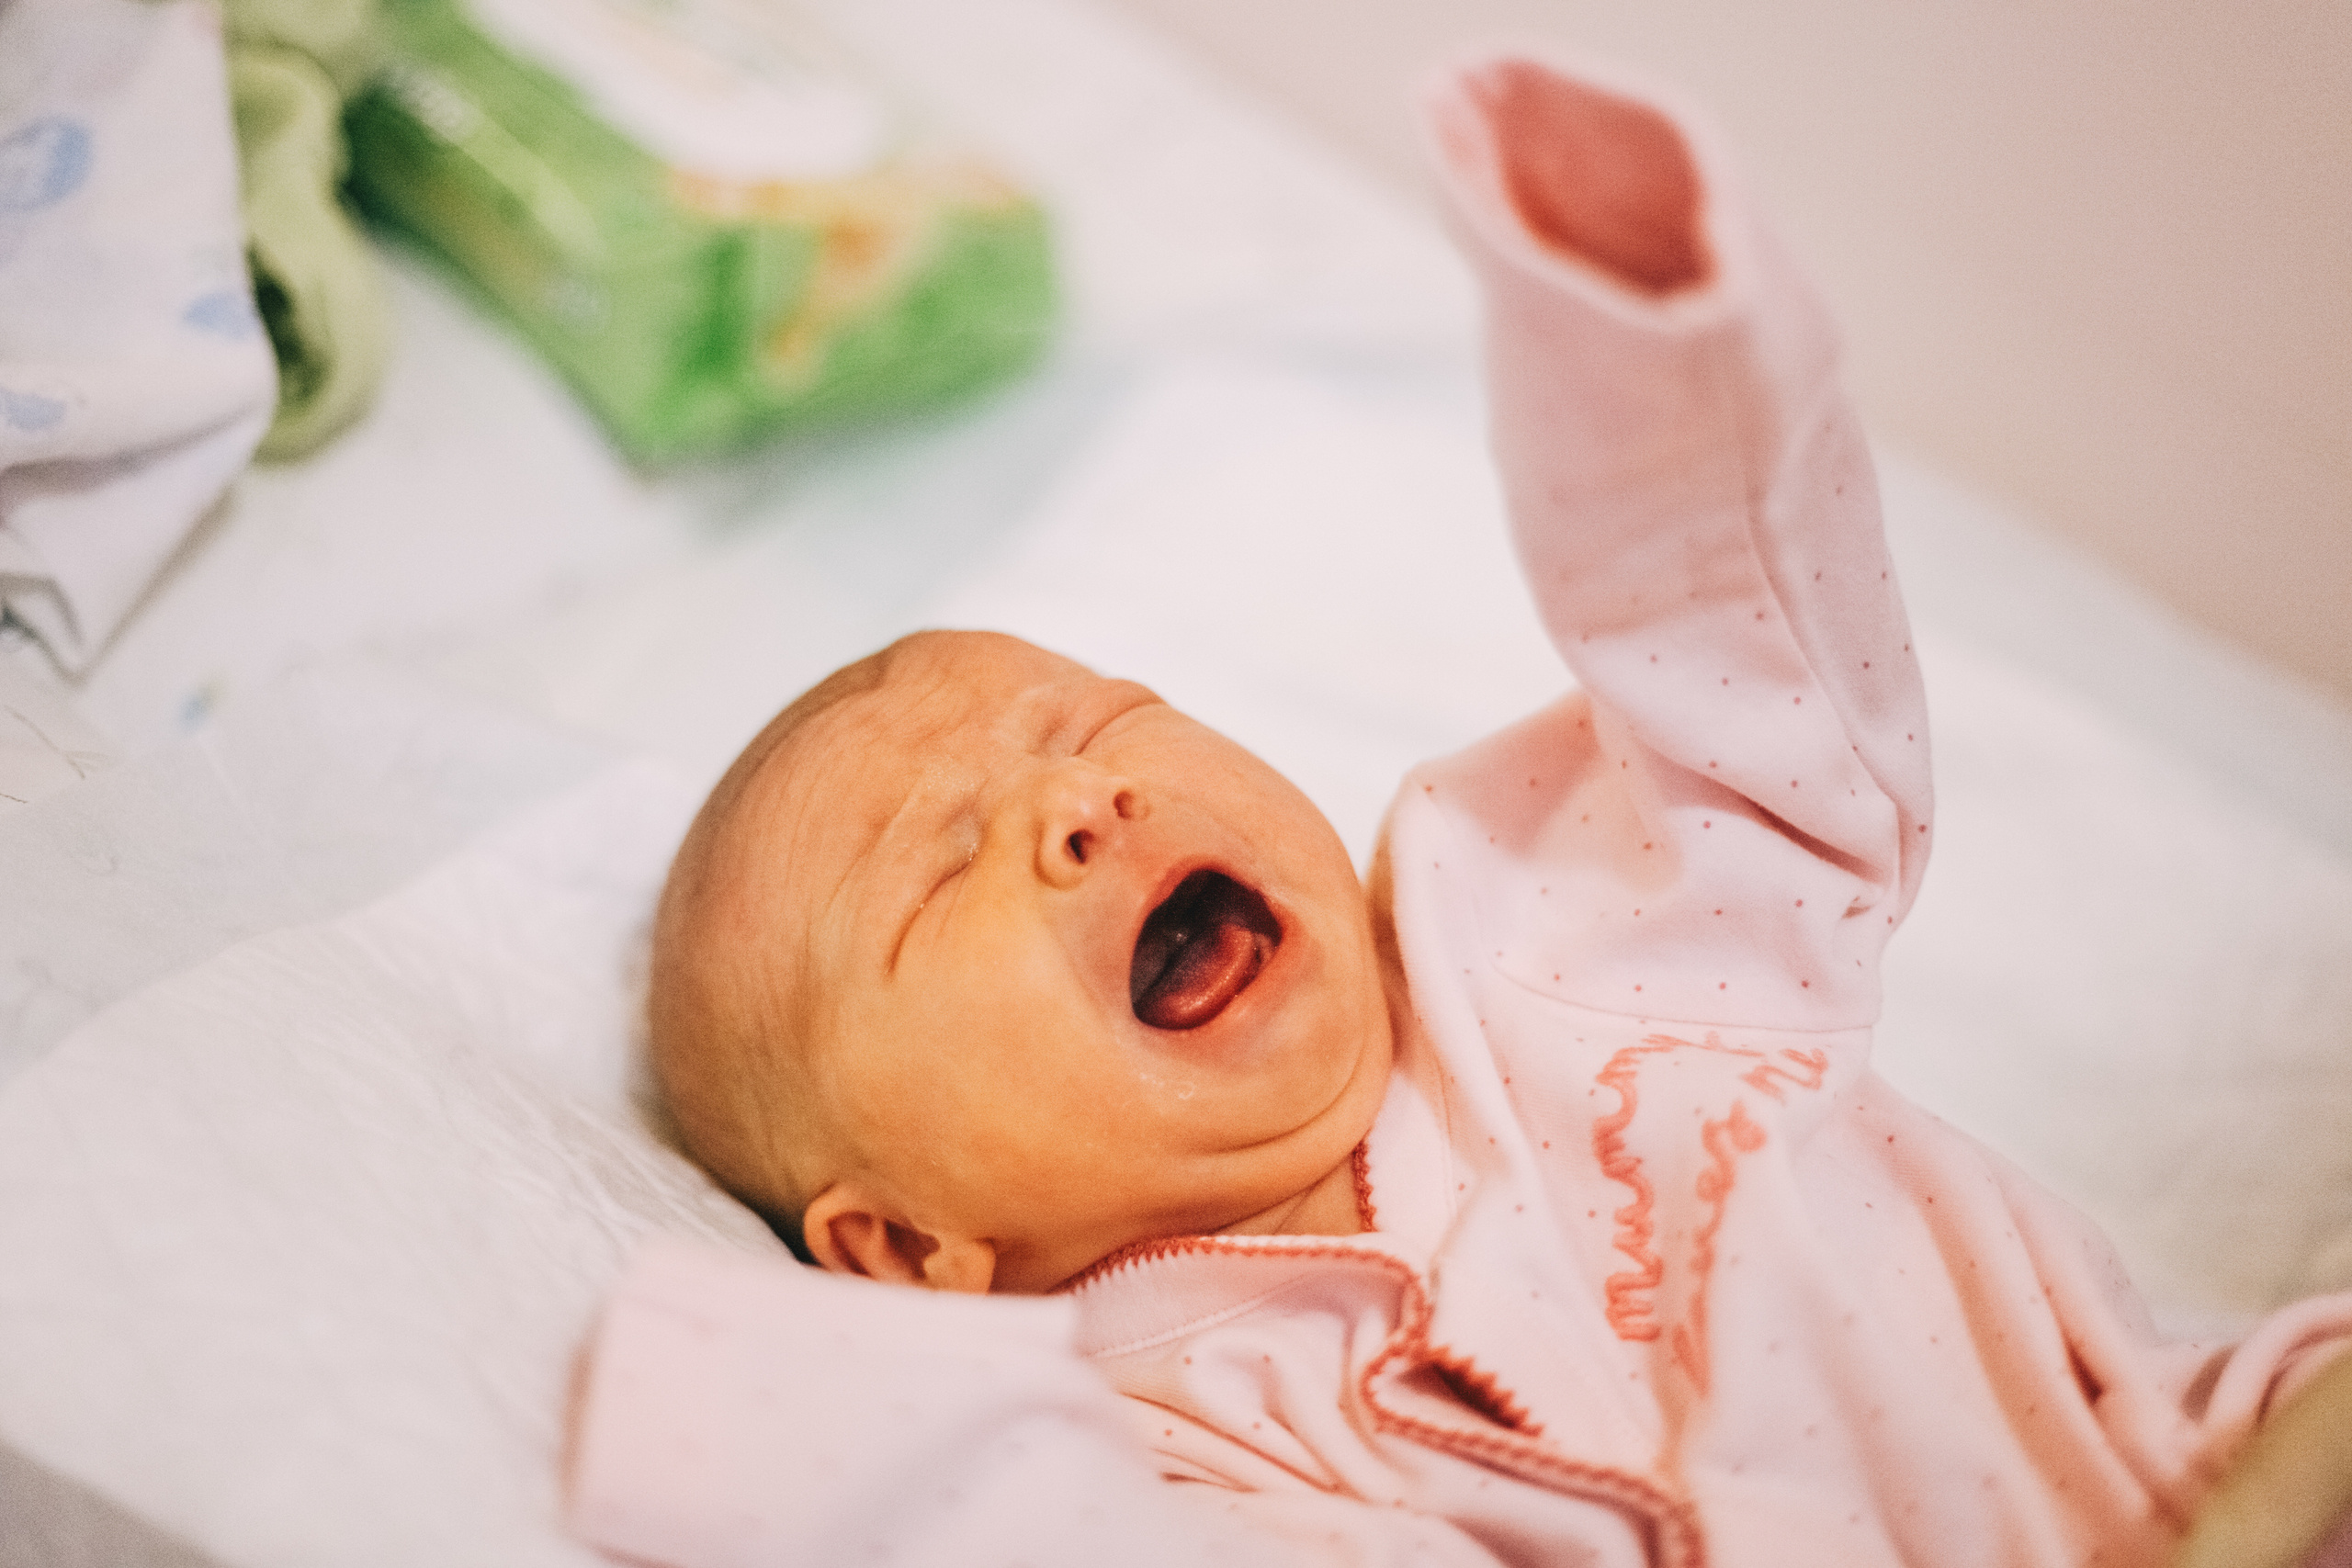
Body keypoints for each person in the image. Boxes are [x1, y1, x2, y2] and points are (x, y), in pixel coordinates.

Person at [569, 51, 2352, 1568]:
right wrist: (731, 1401)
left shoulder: (1554, 926)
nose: (1074, 801)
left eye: (1092, 721)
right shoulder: (1167, 1439)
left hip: (2222, 1464)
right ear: (901, 1248)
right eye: (941, 859)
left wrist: (1649, 370)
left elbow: (1740, 675)